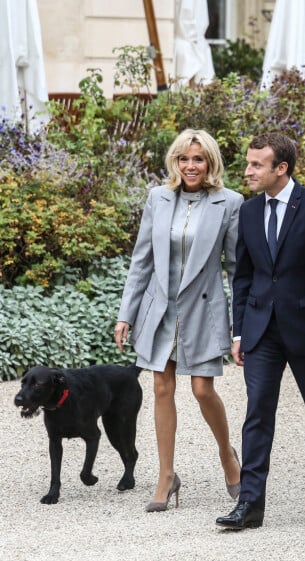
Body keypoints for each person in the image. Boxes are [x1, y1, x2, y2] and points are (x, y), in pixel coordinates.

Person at [215, 133, 305, 531]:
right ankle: (250, 504)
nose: (248, 170)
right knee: (257, 414)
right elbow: (243, 276)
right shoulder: (250, 212)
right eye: (248, 162)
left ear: (282, 168)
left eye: (257, 164)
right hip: (260, 331)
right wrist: (240, 331)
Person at [114, 128, 243, 512]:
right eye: (184, 159)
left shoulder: (230, 203)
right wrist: (126, 314)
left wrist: (241, 326)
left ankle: (227, 454)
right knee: (161, 388)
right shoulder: (158, 197)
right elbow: (142, 260)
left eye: (198, 159)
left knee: (203, 390)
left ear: (211, 163)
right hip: (160, 308)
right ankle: (166, 476)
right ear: (175, 161)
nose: (190, 166)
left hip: (204, 308)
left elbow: (236, 269)